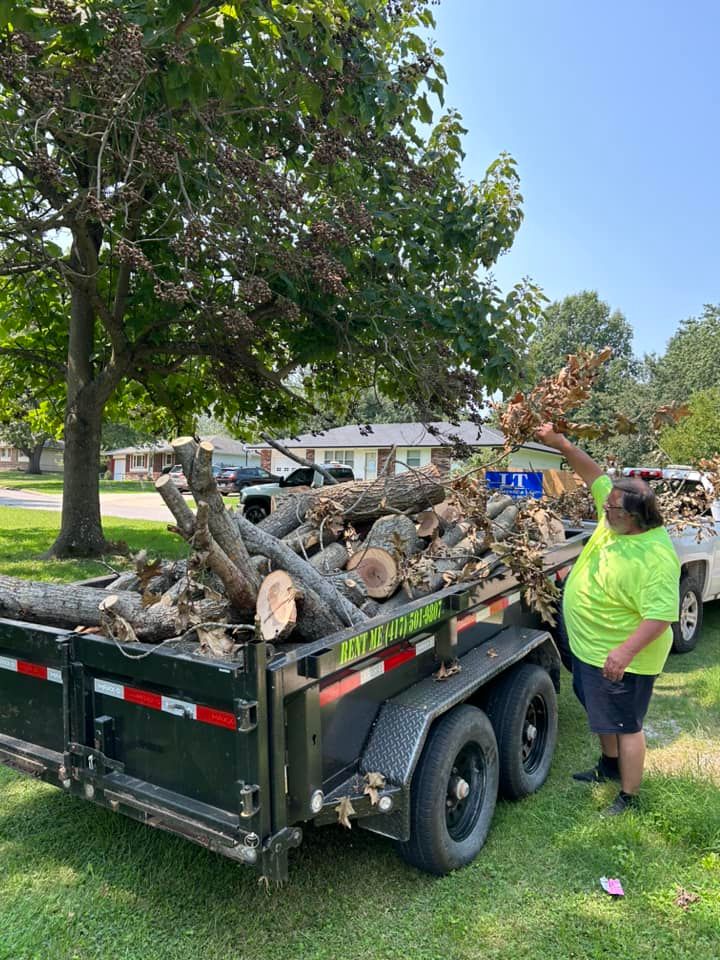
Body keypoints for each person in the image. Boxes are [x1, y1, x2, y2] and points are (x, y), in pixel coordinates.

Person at [536, 423, 680, 816]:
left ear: (635, 517)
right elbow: (594, 475)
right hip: (591, 648)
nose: (605, 509)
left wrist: (624, 652)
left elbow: (662, 617)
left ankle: (629, 797)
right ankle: (608, 767)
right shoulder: (616, 515)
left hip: (623, 657)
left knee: (626, 724)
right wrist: (560, 443)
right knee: (602, 716)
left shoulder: (655, 557)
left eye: (612, 509)